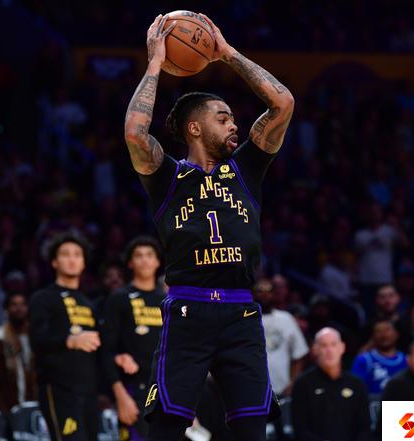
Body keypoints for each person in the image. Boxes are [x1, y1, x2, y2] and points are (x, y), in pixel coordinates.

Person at [124, 12, 294, 441]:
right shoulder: (167, 176)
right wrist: (156, 63)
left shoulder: (246, 169)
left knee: (253, 429)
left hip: (241, 312)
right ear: (195, 128)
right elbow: (135, 134)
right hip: (188, 309)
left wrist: (227, 53)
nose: (234, 124)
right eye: (223, 117)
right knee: (166, 427)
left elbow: (283, 104)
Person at [29, 233, 102, 441]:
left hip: (89, 392)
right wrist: (69, 340)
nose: (72, 259)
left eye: (77, 255)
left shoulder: (89, 303)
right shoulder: (43, 298)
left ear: (84, 263)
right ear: (54, 262)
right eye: (65, 254)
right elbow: (37, 340)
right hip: (59, 388)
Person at [101, 236, 165, 441]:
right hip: (134, 391)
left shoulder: (167, 301)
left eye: (149, 255)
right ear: (130, 263)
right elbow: (106, 350)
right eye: (139, 256)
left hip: (167, 390)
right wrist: (121, 396)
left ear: (157, 261)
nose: (145, 260)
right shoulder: (119, 298)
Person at [292, 328, 371, 441]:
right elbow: (300, 430)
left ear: (342, 347)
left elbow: (364, 428)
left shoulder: (356, 384)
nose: (329, 350)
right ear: (315, 349)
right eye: (324, 345)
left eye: (333, 344)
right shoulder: (302, 384)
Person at [254, 278, 308, 397]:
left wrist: (293, 383)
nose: (264, 294)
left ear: (274, 294)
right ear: (253, 294)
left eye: (268, 290)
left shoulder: (286, 319)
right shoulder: (244, 320)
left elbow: (299, 354)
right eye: (260, 290)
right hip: (252, 390)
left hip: (281, 390)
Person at [0, 291, 37, 413]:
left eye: (23, 304)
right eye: (14, 305)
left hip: (36, 402)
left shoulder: (36, 337)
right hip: (9, 406)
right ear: (6, 310)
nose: (19, 308)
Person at [351, 319, 408, 396]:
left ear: (396, 334)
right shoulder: (364, 360)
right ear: (373, 336)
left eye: (387, 330)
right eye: (378, 331)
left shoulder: (408, 360)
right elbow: (355, 389)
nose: (383, 335)